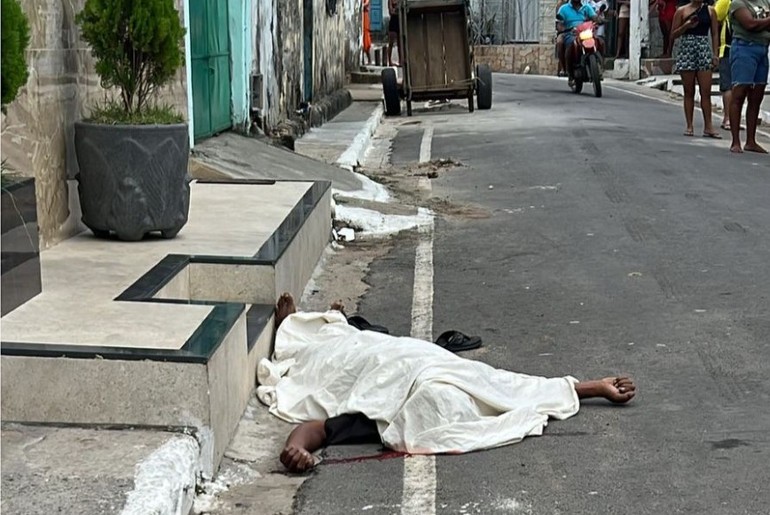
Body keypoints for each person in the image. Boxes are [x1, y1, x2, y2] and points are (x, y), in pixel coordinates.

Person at [262, 294, 637, 474]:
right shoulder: (443, 391)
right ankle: (310, 327)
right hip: (404, 360)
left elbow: (315, 429)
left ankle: (309, 328)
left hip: (395, 360)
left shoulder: (381, 418)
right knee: (349, 345)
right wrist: (592, 387)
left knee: (334, 352)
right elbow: (515, 387)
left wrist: (296, 449)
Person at [671, 0, 721, 138]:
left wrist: (715, 54)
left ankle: (708, 126)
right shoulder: (681, 11)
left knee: (706, 91)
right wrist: (686, 26)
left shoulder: (710, 11)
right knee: (689, 91)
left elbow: (715, 34)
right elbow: (673, 34)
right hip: (687, 49)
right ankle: (689, 125)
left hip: (703, 48)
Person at [728, 0, 770, 153]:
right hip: (744, 48)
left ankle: (751, 141)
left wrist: (762, 24)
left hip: (762, 48)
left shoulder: (764, 1)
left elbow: (759, 25)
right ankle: (735, 141)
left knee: (756, 96)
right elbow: (750, 24)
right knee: (739, 93)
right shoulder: (738, 3)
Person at [557, 0, 601, 86]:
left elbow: (594, 17)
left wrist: (599, 20)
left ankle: (599, 66)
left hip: (585, 32)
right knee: (567, 44)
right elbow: (559, 24)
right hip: (570, 33)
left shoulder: (586, 7)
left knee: (600, 41)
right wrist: (563, 29)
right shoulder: (563, 8)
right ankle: (568, 72)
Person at [387, 0, 399, 66]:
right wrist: (397, 10)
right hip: (393, 21)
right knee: (391, 43)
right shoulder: (390, 0)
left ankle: (401, 60)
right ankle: (389, 61)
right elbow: (391, 12)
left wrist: (396, 10)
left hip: (400, 20)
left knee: (400, 43)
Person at [362, 0, 372, 66]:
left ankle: (369, 59)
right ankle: (362, 60)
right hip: (361, 16)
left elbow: (366, 3)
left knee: (366, 42)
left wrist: (362, 5)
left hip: (365, 16)